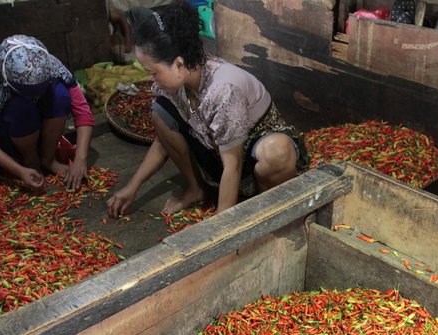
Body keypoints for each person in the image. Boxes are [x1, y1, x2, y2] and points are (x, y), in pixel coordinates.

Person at [106, 2, 309, 217]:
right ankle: (196, 189)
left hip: (250, 157)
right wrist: (132, 188)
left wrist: (219, 231)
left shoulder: (223, 90)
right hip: (219, 154)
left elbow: (234, 165)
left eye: (153, 72)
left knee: (276, 152)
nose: (151, 79)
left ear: (178, 63)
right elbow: (162, 143)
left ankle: (264, 207)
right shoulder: (179, 81)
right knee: (160, 112)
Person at [0, 35, 95, 190]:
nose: (36, 98)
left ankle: (48, 159)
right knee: (20, 106)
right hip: (9, 134)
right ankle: (30, 160)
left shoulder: (48, 65)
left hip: (41, 129)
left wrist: (80, 160)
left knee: (60, 94)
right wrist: (19, 171)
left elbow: (83, 113)